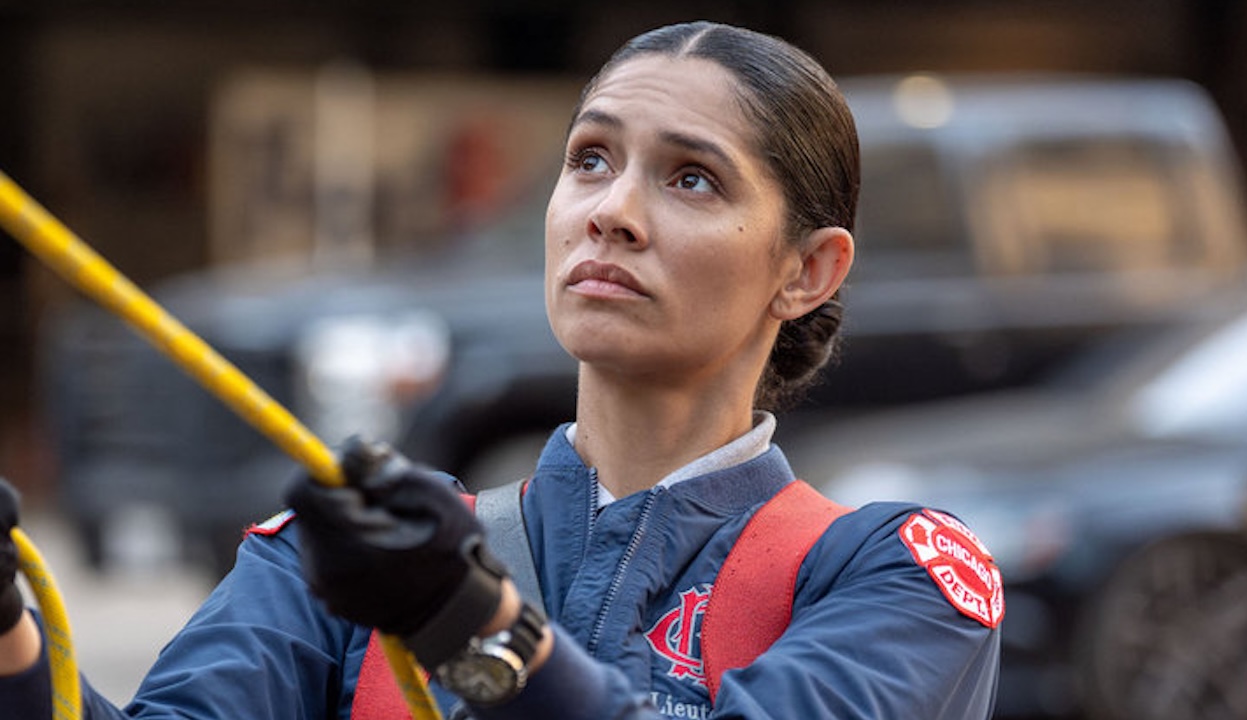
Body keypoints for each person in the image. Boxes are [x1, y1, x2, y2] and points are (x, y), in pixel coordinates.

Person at [0, 20, 1003, 719]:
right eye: (589, 160)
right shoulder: (343, 558)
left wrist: (466, 621)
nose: (608, 210)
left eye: (690, 178)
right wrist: (7, 631)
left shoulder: (892, 575)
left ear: (807, 270)